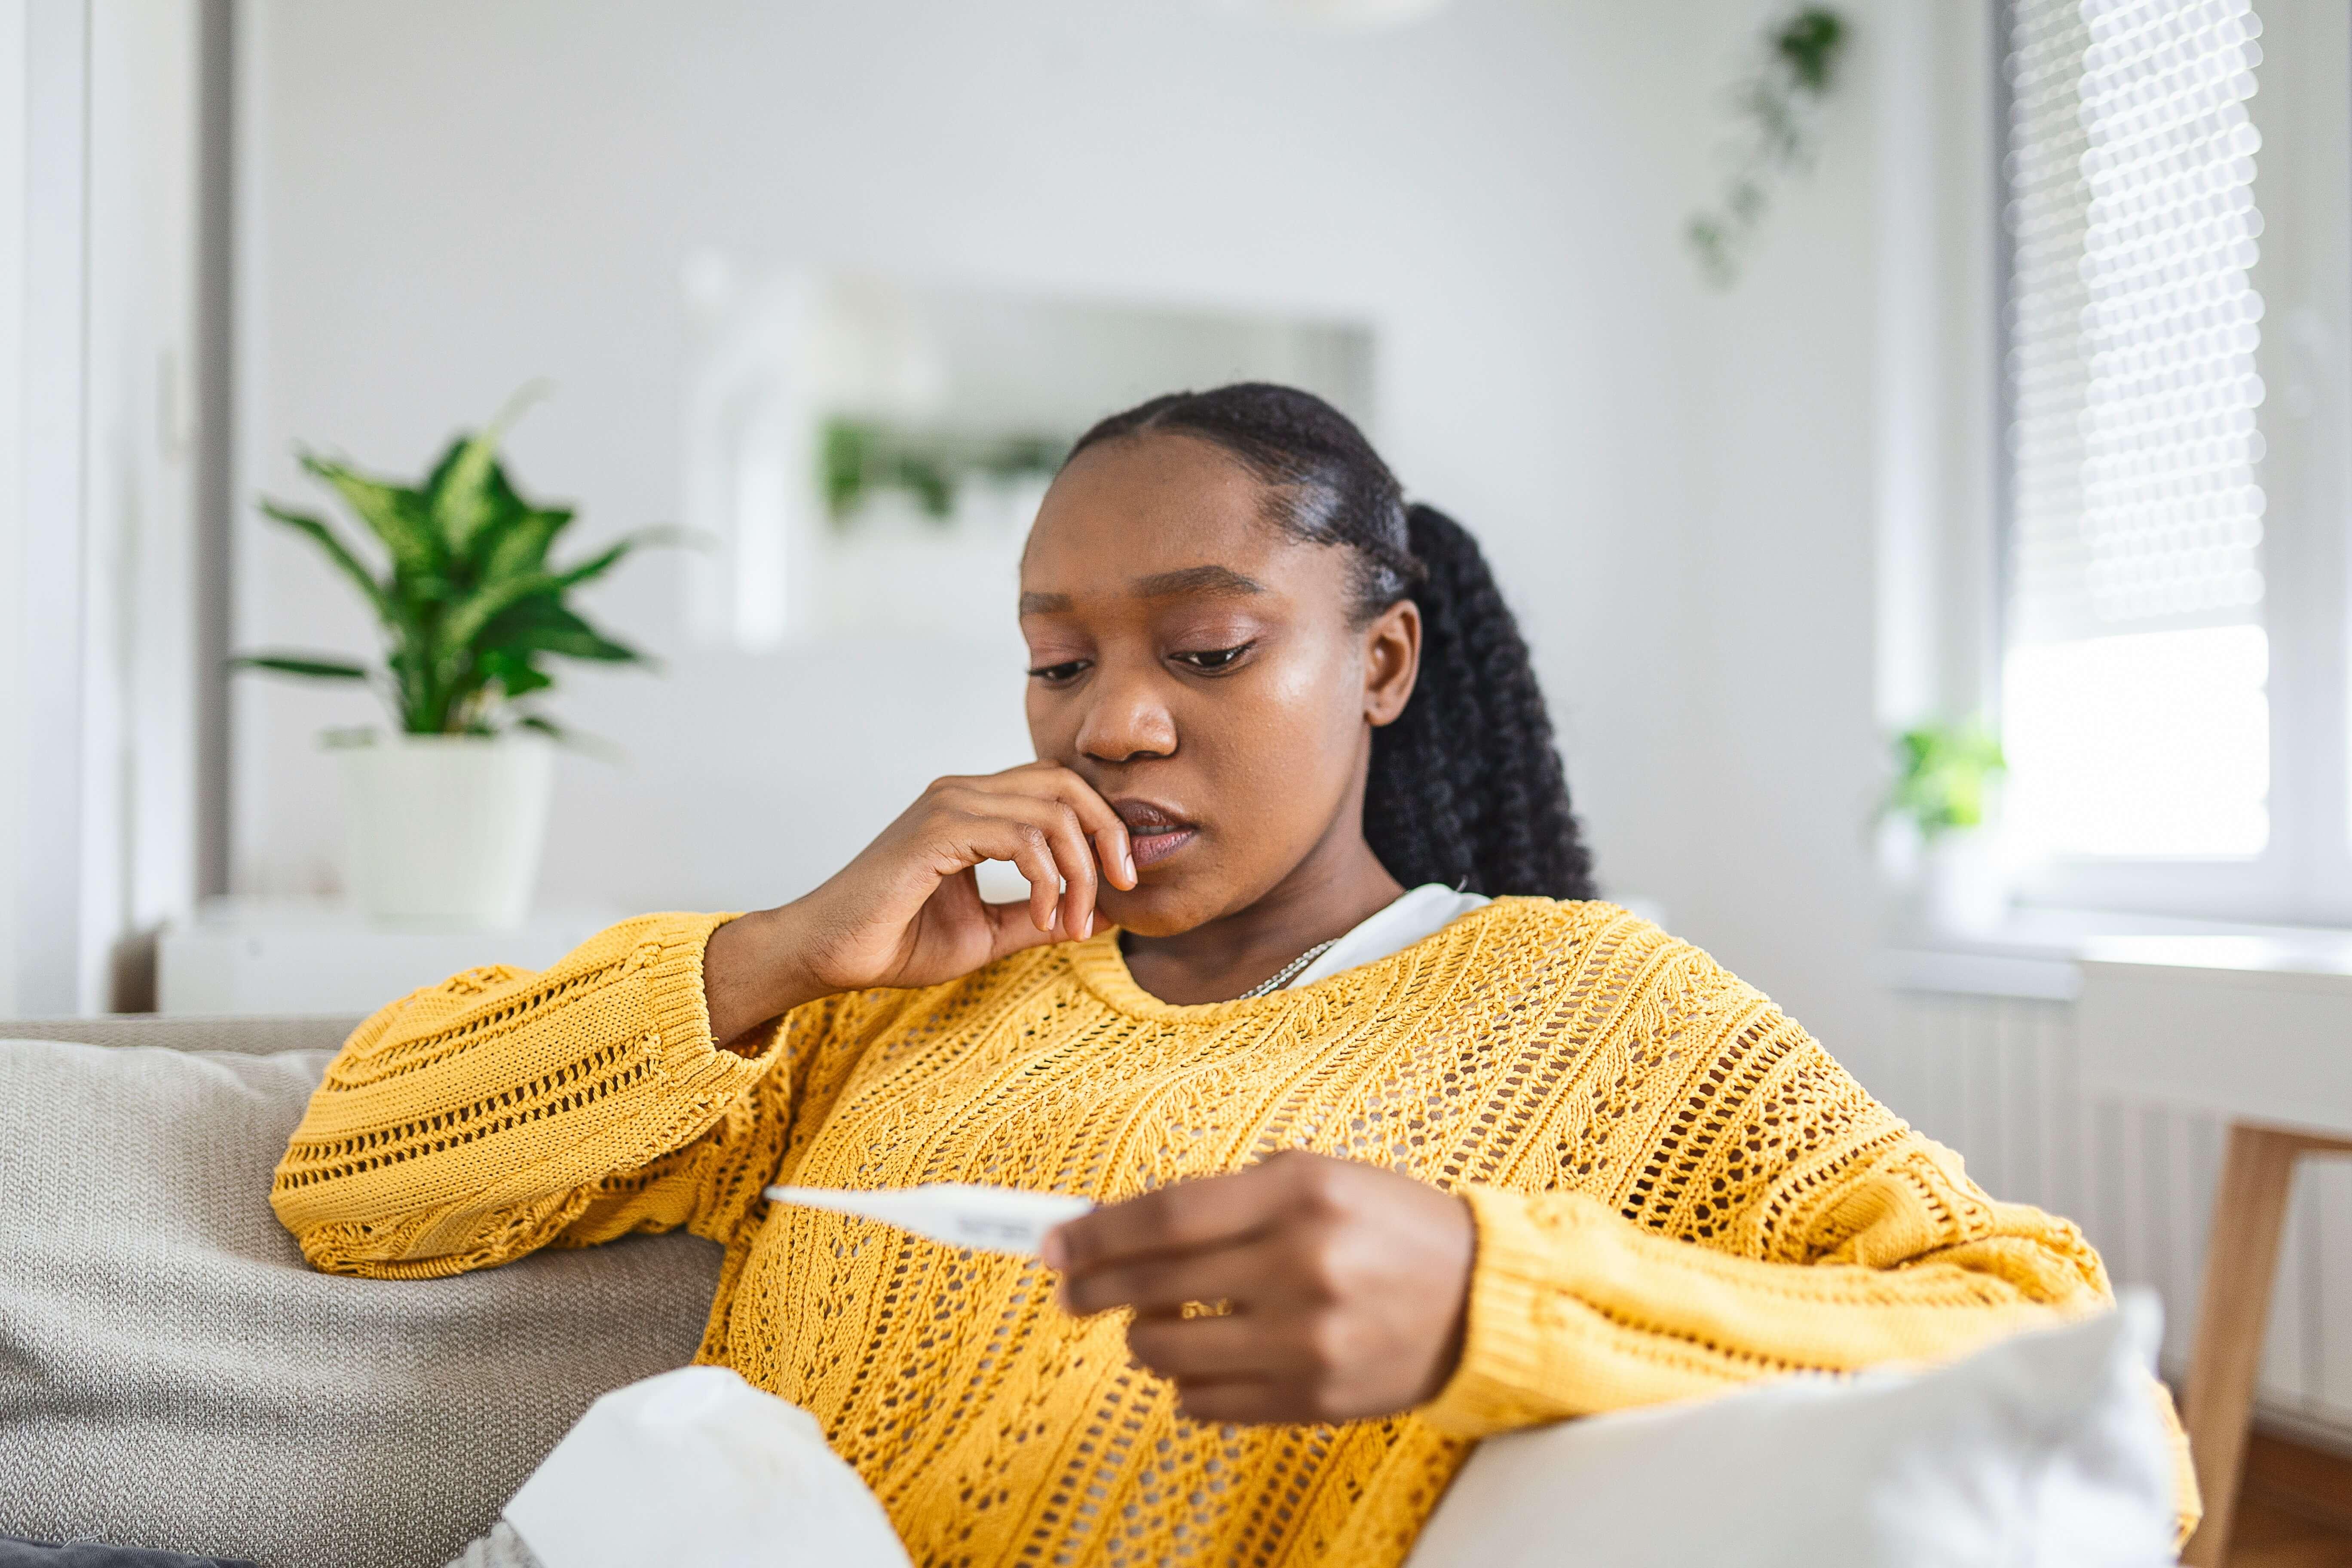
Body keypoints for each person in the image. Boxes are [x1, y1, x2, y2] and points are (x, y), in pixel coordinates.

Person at [273, 384, 2193, 1565]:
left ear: (1379, 665)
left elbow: (2071, 1384)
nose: (1110, 724)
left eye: (1202, 653)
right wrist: (780, 950)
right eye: (1055, 660)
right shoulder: (893, 993)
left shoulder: (1599, 1012)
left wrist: (1495, 1306)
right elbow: (346, 1179)